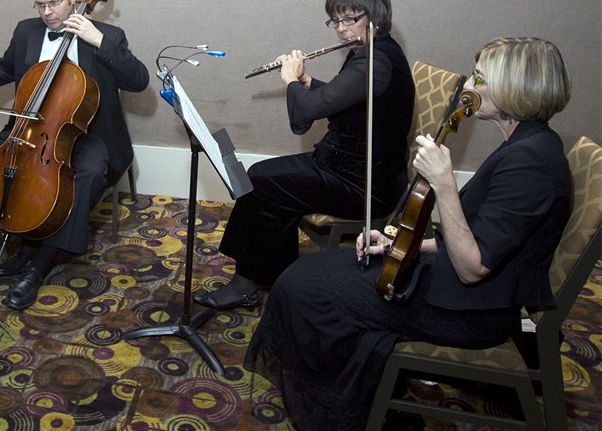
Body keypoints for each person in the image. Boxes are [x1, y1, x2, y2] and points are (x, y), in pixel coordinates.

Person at [246, 37, 573, 430]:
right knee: (310, 274)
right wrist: (403, 245)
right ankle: (357, 389)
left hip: (470, 312)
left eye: (481, 79)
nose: (470, 86)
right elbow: (486, 239)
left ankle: (336, 412)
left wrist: (446, 185)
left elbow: (474, 266)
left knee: (304, 289)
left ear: (516, 89)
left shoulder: (531, 163)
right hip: (458, 288)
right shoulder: (525, 144)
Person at [0, 0, 149, 310]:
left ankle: (40, 262)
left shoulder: (108, 34)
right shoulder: (27, 32)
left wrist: (98, 40)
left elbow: (139, 80)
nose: (47, 13)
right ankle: (21, 236)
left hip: (87, 134)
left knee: (88, 174)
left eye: (54, 3)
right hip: (31, 132)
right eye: (40, 5)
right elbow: (1, 70)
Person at [193, 0, 415, 311]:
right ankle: (275, 277)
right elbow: (350, 100)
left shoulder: (377, 62)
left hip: (366, 184)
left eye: (351, 18)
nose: (341, 28)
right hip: (347, 166)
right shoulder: (371, 53)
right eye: (335, 20)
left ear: (375, 16)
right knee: (267, 180)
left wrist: (290, 80)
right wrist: (311, 82)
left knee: (260, 181)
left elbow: (303, 118)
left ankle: (247, 283)